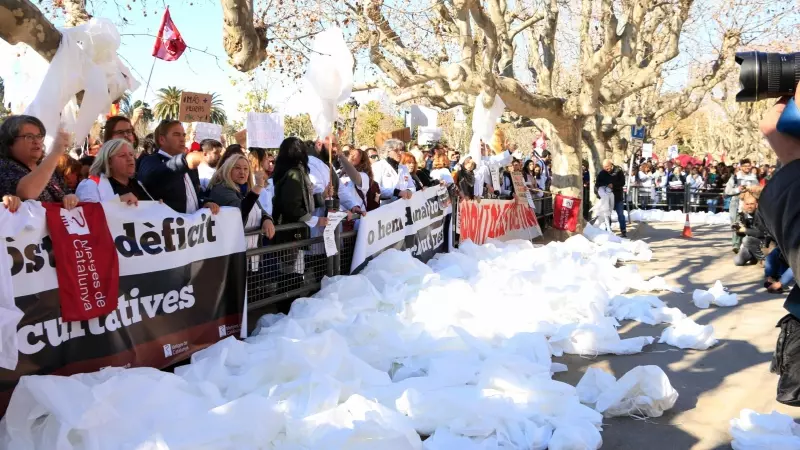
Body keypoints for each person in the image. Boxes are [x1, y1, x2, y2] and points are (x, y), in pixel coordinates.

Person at [138, 120, 219, 215]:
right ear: (162, 139)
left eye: (183, 135)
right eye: (176, 135)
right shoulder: (150, 161)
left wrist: (205, 202)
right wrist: (184, 161)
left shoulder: (189, 166)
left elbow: (196, 193)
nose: (182, 139)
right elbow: (155, 176)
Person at [0, 115, 79, 210]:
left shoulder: (48, 168)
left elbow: (66, 192)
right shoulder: (4, 167)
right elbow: (26, 193)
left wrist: (70, 197)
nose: (36, 141)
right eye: (29, 137)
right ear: (10, 143)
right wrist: (56, 152)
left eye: (39, 136)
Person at [208, 153, 275, 242]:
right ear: (228, 170)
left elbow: (260, 210)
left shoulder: (245, 189)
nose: (242, 172)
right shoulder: (221, 189)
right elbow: (239, 211)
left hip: (252, 250)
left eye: (246, 169)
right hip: (232, 249)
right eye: (237, 168)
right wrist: (258, 187)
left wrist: (267, 219)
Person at [75, 139, 153, 204]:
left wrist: (158, 207)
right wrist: (117, 202)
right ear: (108, 162)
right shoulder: (90, 186)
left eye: (131, 154)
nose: (130, 159)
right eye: (122, 155)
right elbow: (87, 216)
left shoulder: (137, 184)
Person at [725, 158, 759, 252]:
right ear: (741, 167)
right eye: (745, 166)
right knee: (736, 223)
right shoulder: (735, 177)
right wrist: (738, 190)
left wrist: (752, 189)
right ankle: (736, 244)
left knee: (749, 223)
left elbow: (758, 190)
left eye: (749, 166)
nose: (747, 168)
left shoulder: (754, 178)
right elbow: (727, 191)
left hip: (749, 202)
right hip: (736, 202)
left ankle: (748, 245)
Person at [372, 139, 415, 203]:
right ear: (388, 152)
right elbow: (376, 189)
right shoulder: (378, 166)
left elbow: (411, 186)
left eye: (400, 150)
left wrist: (409, 191)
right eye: (396, 150)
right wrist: (397, 192)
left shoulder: (403, 168)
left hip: (403, 206)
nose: (400, 153)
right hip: (385, 208)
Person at [733, 192, 766, 266]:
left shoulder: (760, 214)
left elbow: (762, 233)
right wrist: (738, 230)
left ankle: (763, 259)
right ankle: (754, 257)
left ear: (756, 205)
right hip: (751, 244)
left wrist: (745, 230)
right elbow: (742, 234)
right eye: (747, 204)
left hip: (762, 243)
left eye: (752, 204)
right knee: (737, 261)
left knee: (747, 240)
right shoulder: (744, 215)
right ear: (744, 205)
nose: (749, 206)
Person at [596, 159, 627, 237]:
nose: (606, 168)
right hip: (607, 198)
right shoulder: (602, 173)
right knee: (607, 214)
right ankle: (608, 230)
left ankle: (623, 230)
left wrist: (613, 185)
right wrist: (605, 186)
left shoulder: (619, 171)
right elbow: (597, 183)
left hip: (617, 196)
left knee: (620, 214)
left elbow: (622, 182)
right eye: (604, 167)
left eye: (607, 167)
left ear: (611, 165)